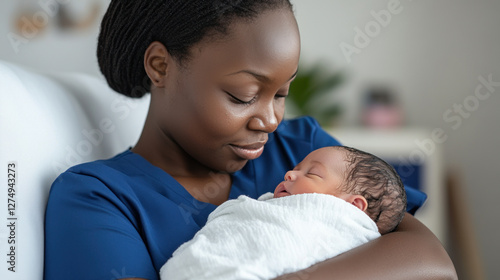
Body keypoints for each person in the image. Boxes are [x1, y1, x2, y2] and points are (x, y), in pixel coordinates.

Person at [44, 1, 457, 279]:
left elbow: (431, 263)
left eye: (281, 94)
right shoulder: (98, 198)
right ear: (159, 66)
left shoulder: (305, 151)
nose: (271, 120)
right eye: (243, 96)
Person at [160, 146, 407, 280]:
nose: (289, 174)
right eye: (296, 168)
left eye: (311, 174)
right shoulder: (273, 210)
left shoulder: (339, 229)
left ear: (353, 207)